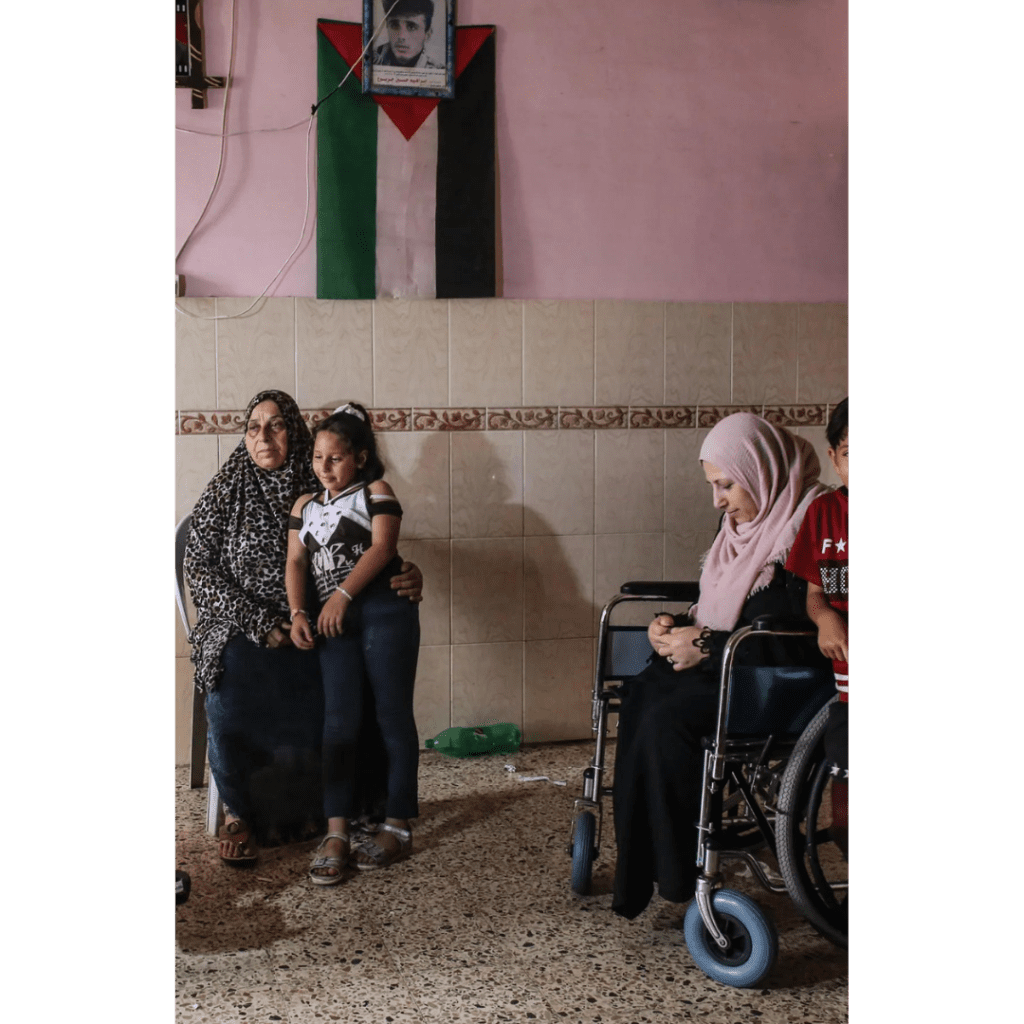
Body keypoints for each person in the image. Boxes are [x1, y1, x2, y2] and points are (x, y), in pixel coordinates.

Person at [184, 390, 423, 864]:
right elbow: (198, 568)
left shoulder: (317, 478)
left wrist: (409, 572)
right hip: (239, 625)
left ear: (294, 432)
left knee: (356, 693)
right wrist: (260, 621)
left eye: (276, 425)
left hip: (321, 620)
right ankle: (243, 811)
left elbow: (368, 547)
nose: (264, 436)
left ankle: (353, 808)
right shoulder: (226, 488)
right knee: (235, 680)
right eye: (254, 427)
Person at [612, 413, 829, 920]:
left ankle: (678, 869)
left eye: (727, 485)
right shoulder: (740, 527)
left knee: (669, 715)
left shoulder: (814, 522)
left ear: (762, 471)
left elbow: (803, 636)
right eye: (714, 486)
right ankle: (641, 868)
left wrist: (707, 644)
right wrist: (675, 627)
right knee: (642, 692)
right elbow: (722, 603)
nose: (719, 500)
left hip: (781, 684)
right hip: (733, 666)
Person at [286, 403, 421, 883]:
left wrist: (342, 595)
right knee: (338, 723)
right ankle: (337, 830)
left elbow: (384, 547)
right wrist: (300, 611)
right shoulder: (304, 506)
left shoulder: (376, 491)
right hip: (331, 622)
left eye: (336, 458)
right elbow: (297, 563)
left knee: (392, 716)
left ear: (360, 458)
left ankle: (398, 823)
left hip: (384, 612)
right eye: (318, 457)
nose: (325, 467)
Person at [785, 397, 849, 854]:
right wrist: (825, 618)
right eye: (852, 455)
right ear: (833, 457)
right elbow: (814, 593)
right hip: (848, 687)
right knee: (845, 769)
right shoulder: (823, 514)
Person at [373, 0, 442, 68]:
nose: (401, 36)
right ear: (387, 26)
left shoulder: (439, 71)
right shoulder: (369, 60)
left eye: (411, 27)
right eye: (394, 25)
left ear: (428, 34)